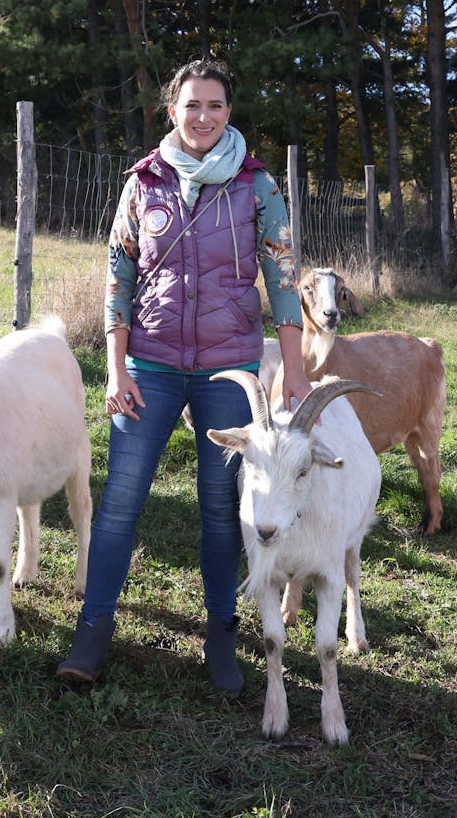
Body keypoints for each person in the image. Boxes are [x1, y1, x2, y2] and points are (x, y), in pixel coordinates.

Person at [56, 60, 313, 695]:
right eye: (192, 105)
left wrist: (298, 373)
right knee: (119, 504)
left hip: (230, 372)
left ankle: (222, 635)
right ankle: (93, 630)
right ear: (172, 111)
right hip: (150, 366)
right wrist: (116, 368)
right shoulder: (143, 183)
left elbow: (283, 280)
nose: (204, 117)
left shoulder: (258, 186)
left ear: (230, 113)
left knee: (223, 508)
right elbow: (117, 276)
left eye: (216, 106)